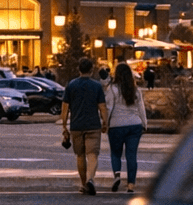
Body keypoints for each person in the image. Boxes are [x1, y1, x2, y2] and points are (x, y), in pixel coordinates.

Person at [61, 57, 109, 195]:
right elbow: (102, 107)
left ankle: (83, 184)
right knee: (93, 154)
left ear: (79, 70)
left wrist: (64, 125)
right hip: (93, 125)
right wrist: (105, 122)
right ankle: (90, 179)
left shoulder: (71, 85)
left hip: (76, 125)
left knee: (80, 155)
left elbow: (65, 107)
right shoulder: (96, 86)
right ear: (91, 70)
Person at [104, 62, 148, 193]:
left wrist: (106, 123)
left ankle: (117, 175)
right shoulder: (135, 90)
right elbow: (141, 108)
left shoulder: (112, 89)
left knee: (116, 153)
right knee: (131, 155)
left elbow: (109, 107)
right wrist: (144, 123)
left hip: (117, 125)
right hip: (134, 124)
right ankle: (131, 185)